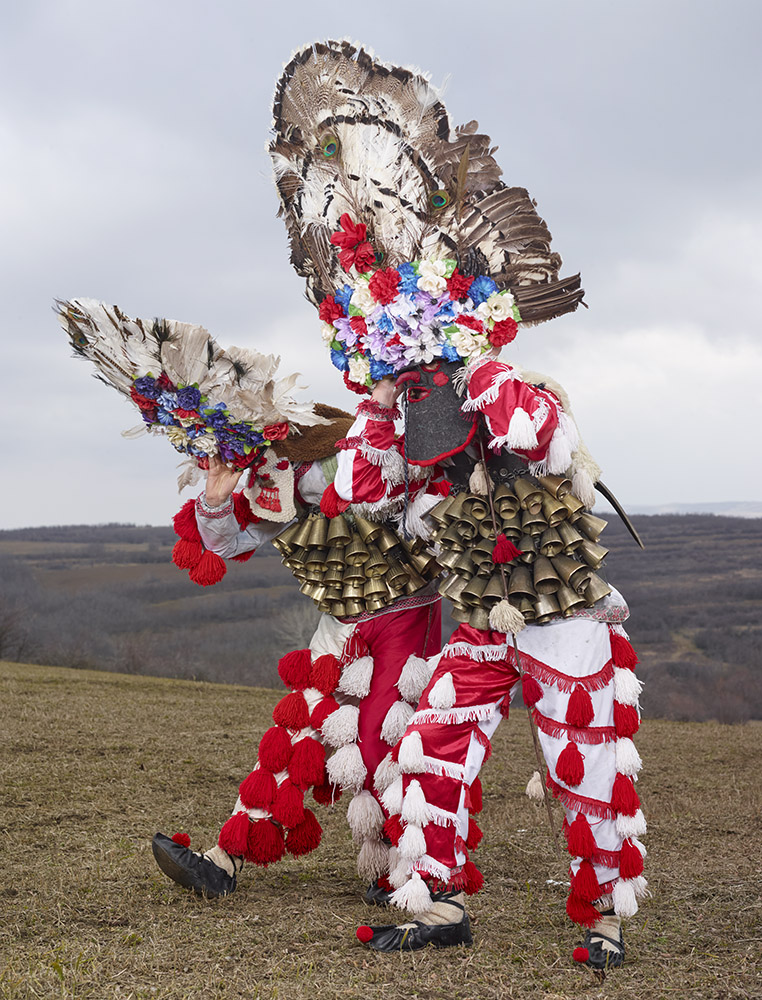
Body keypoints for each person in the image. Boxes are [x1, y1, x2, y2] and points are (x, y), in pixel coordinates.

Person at [265, 39, 645, 969]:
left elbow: (545, 444)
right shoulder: (402, 410)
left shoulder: (518, 389)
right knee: (435, 742)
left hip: (556, 604)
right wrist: (381, 407)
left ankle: (605, 914)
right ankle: (432, 899)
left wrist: (475, 368)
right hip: (479, 604)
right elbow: (359, 494)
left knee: (582, 756)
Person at [152, 404, 447, 902]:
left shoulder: (364, 451)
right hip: (341, 620)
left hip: (405, 615)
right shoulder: (272, 473)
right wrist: (216, 500)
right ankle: (225, 860)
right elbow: (228, 544)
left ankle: (410, 867)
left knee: (383, 742)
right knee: (295, 732)